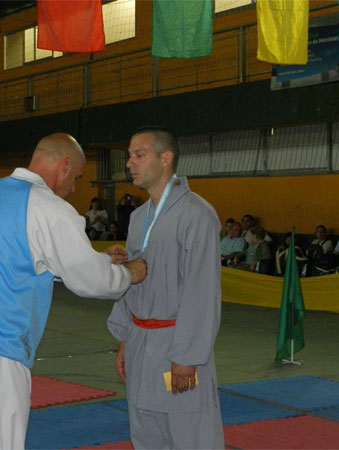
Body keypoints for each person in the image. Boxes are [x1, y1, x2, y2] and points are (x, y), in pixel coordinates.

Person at [0, 133, 147, 450]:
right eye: (76, 177)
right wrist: (130, 273)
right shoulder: (49, 208)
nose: (73, 188)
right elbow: (93, 282)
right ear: (64, 165)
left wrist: (100, 261)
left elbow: (16, 261)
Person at [107, 127, 224, 449]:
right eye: (129, 155)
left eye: (138, 155)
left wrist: (188, 356)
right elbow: (134, 283)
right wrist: (125, 338)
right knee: (147, 432)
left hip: (177, 346)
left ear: (165, 158)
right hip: (140, 343)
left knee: (190, 434)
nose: (129, 163)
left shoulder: (197, 214)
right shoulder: (138, 217)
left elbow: (202, 290)